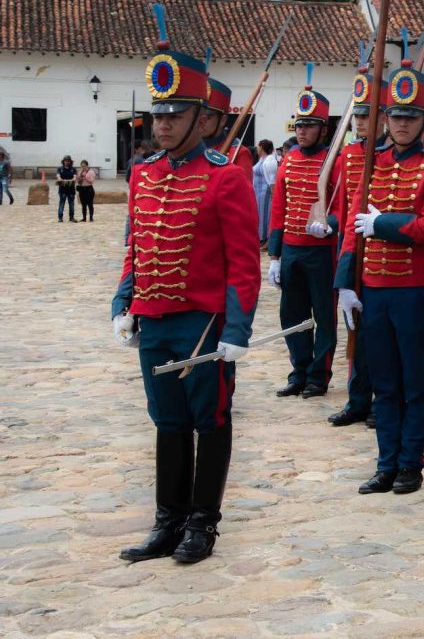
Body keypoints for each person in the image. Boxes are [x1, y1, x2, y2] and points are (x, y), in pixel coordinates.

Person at [112, 38, 260, 564]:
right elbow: (136, 245)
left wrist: (238, 329)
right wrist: (122, 304)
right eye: (159, 116)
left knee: (209, 419)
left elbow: (244, 262)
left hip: (202, 322)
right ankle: (167, 522)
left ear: (203, 120)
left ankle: (202, 525)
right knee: (167, 422)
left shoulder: (226, 177)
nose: (164, 125)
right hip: (154, 322)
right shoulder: (144, 174)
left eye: (176, 116)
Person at [335, 58, 424, 496]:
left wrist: (384, 223)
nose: (402, 125)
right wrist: (345, 282)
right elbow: (352, 222)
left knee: (414, 381)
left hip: (416, 290)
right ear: (386, 118)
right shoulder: (369, 161)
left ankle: (411, 463)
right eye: (396, 116)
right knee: (382, 382)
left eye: (412, 117)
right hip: (374, 290)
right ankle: (385, 462)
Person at [268, 73, 337, 399]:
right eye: (299, 125)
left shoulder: (333, 161)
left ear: (323, 128)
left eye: (309, 125)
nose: (302, 131)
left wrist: (331, 223)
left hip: (321, 252)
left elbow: (344, 204)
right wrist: (275, 255)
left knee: (323, 315)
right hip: (293, 250)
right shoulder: (289, 160)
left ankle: (318, 376)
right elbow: (279, 206)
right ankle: (299, 369)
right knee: (291, 315)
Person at [325, 67, 385, 428]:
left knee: (380, 337)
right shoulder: (351, 154)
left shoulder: (392, 158)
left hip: (386, 256)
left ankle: (382, 398)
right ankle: (358, 398)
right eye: (358, 115)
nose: (361, 122)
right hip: (355, 248)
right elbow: (348, 210)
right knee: (356, 333)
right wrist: (346, 269)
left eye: (368, 115)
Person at [56, 155, 78, 222]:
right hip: (62, 189)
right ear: (63, 161)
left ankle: (71, 217)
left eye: (68, 161)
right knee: (61, 203)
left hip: (71, 189)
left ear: (70, 162)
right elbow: (58, 176)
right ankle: (60, 217)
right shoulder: (60, 169)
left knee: (71, 204)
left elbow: (74, 177)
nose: (67, 162)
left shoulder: (73, 169)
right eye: (66, 161)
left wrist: (73, 179)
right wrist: (59, 179)